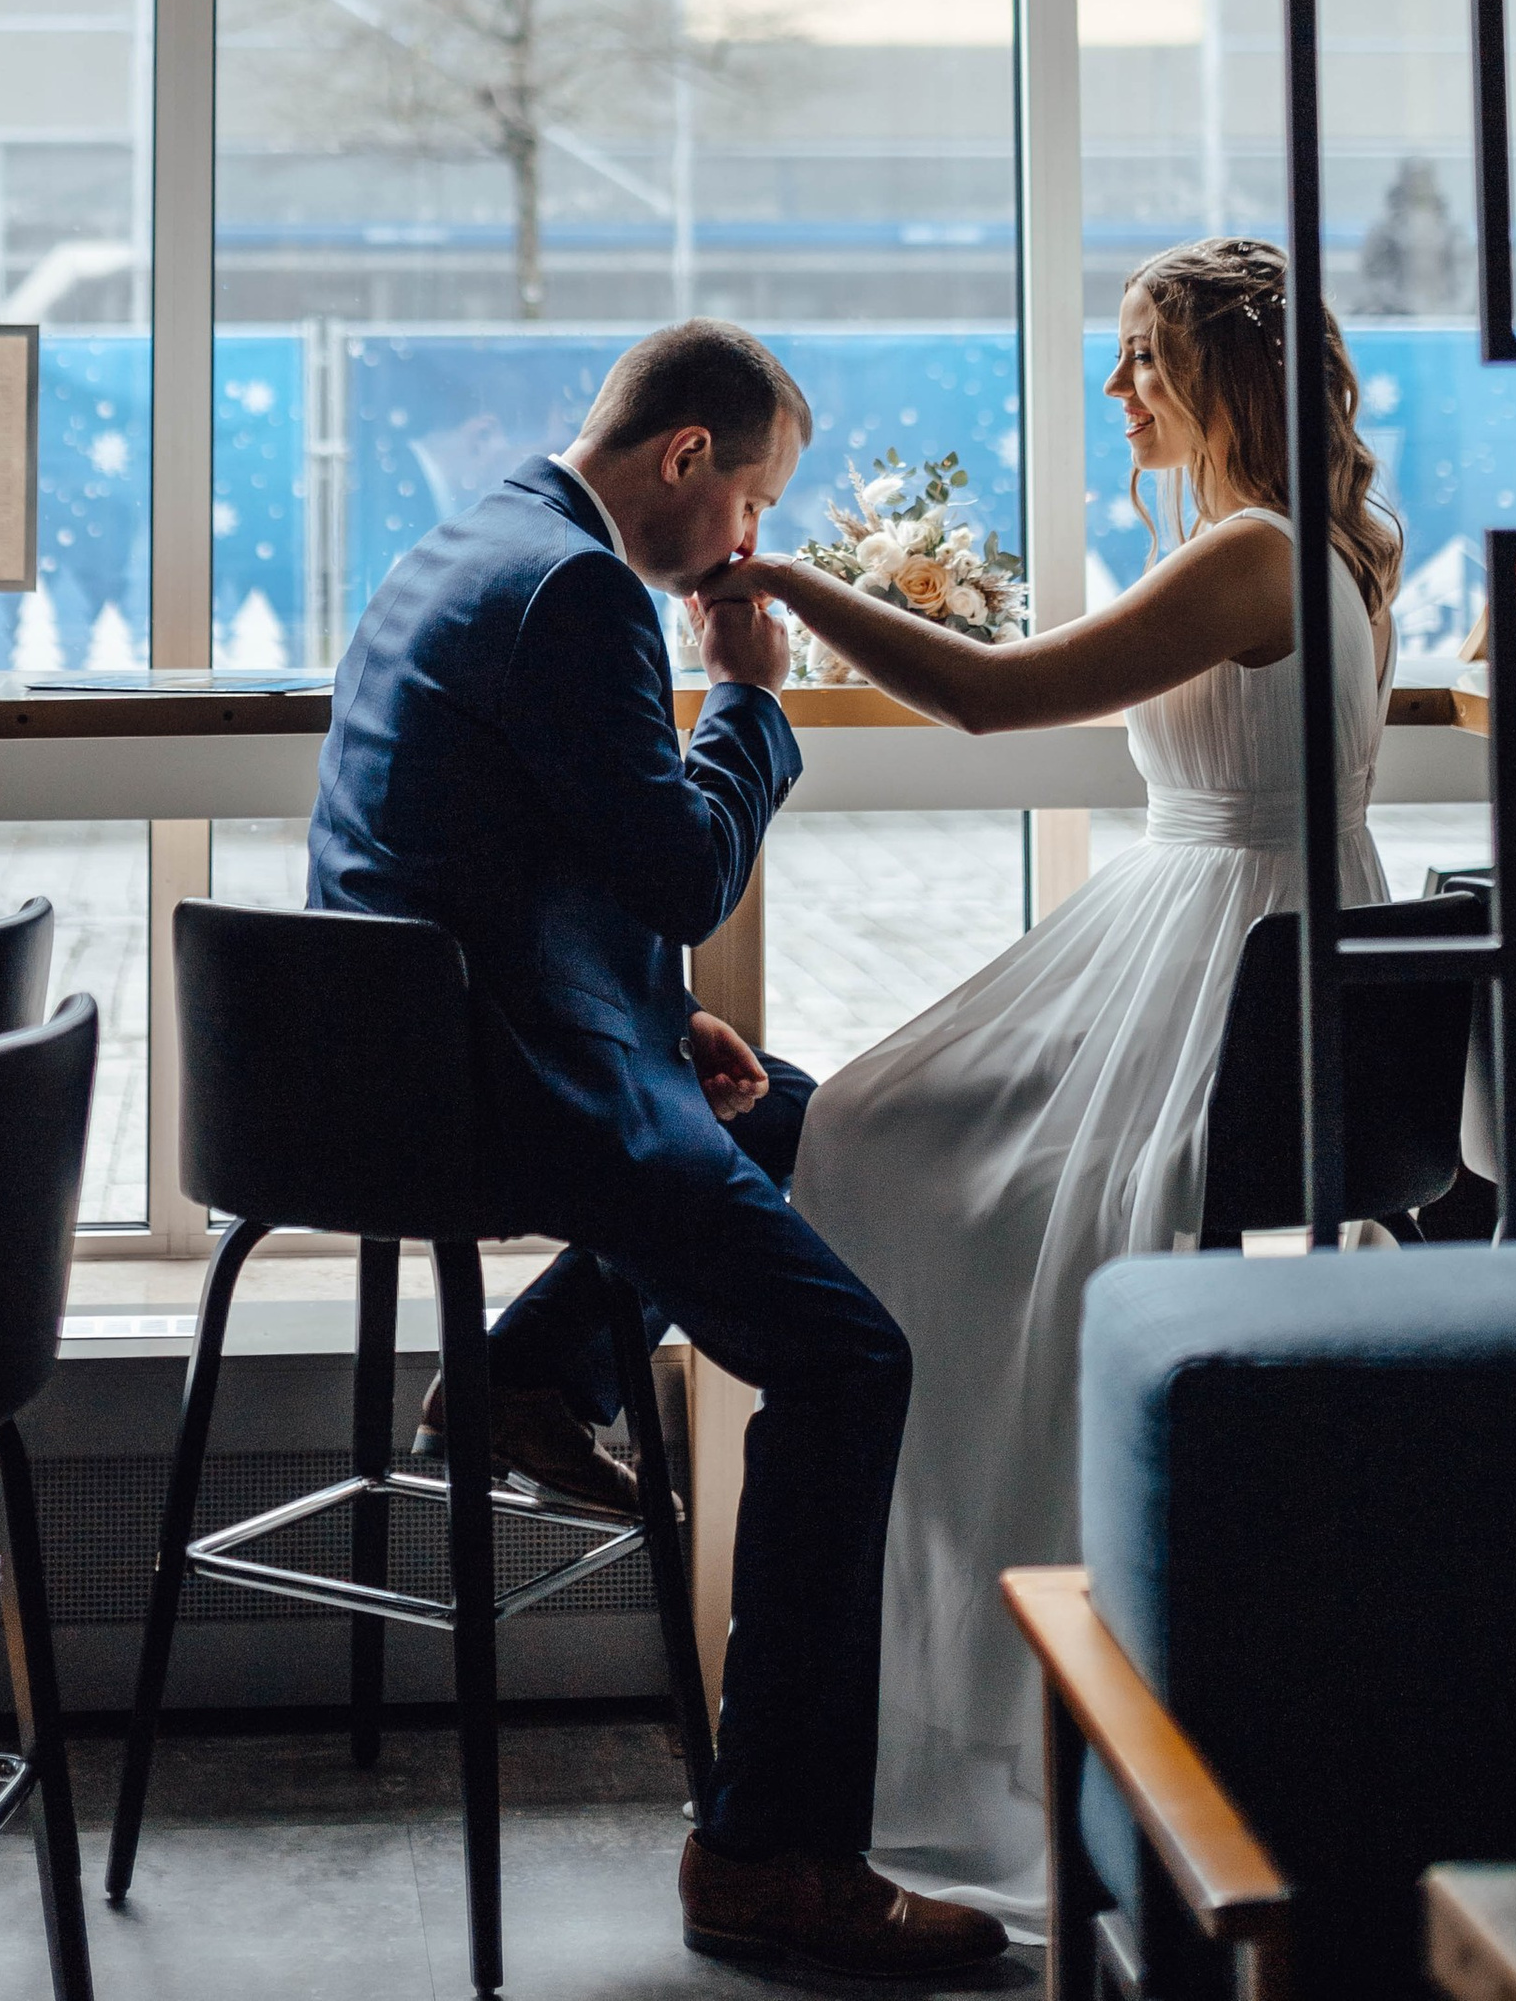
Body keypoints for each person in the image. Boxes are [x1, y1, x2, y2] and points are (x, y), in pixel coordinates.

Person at [697, 238, 1400, 1931]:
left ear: (1219, 378)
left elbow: (998, 704)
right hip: (1216, 926)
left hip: (1237, 962)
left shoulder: (1252, 556)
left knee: (867, 1131)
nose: (1114, 393)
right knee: (865, 1123)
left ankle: (950, 1652)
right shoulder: (1304, 551)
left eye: (1139, 361)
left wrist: (777, 595)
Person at [308, 319, 1008, 1986]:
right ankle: (774, 1856)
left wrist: (648, 1009)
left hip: (404, 1055)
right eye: (756, 499)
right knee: (847, 1365)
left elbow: (508, 846)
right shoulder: (583, 595)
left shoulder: (473, 536)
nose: (753, 542)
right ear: (687, 459)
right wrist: (751, 705)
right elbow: (686, 867)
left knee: (791, 1115)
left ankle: (528, 1377)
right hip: (500, 1092)